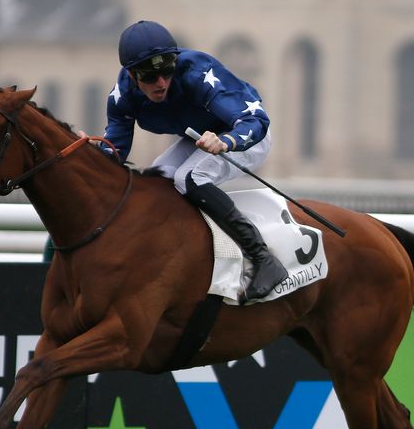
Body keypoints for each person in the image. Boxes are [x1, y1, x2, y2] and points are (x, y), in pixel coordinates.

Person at [81, 20, 287, 303]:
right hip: (201, 137)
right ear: (131, 74)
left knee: (189, 178)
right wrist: (87, 155)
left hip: (246, 135)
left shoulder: (196, 73)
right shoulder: (122, 97)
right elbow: (114, 154)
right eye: (149, 76)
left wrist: (226, 141)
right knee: (157, 180)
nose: (161, 83)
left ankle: (263, 259)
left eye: (167, 71)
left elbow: (255, 120)